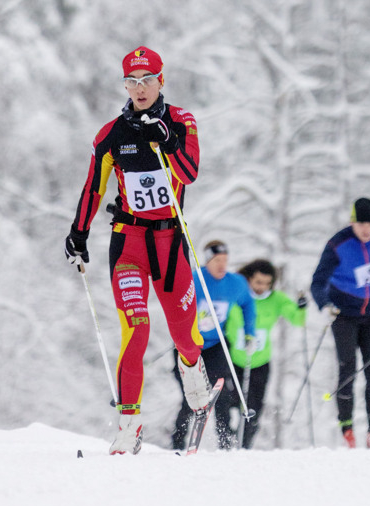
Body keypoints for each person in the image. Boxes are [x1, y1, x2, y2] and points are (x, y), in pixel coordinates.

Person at [64, 46, 210, 455]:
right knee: (137, 326)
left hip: (170, 243)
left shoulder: (182, 121)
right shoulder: (111, 134)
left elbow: (190, 173)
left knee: (185, 335)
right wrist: (78, 233)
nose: (140, 88)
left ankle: (192, 369)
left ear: (161, 81)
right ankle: (129, 423)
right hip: (129, 242)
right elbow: (94, 186)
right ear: (125, 85)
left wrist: (165, 141)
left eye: (147, 80)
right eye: (132, 81)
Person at [310, 198, 370, 448]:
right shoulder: (338, 244)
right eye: (360, 223)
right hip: (343, 313)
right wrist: (325, 304)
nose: (365, 229)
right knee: (347, 367)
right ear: (352, 222)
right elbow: (317, 282)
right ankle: (347, 429)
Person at [170, 241, 256, 450]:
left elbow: (248, 304)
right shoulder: (194, 279)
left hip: (217, 344)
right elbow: (174, 304)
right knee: (191, 395)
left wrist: (249, 334)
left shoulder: (235, 283)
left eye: (225, 261)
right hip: (189, 344)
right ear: (207, 261)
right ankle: (179, 442)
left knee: (221, 393)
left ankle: (225, 440)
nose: (222, 266)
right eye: (217, 261)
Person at [222, 258, 307, 449]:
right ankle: (225, 442)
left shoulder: (276, 299)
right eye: (258, 282)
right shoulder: (237, 293)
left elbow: (297, 319)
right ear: (249, 279)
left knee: (253, 410)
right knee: (228, 403)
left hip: (260, 363)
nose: (262, 287)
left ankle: (244, 447)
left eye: (267, 283)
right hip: (233, 360)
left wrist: (301, 307)